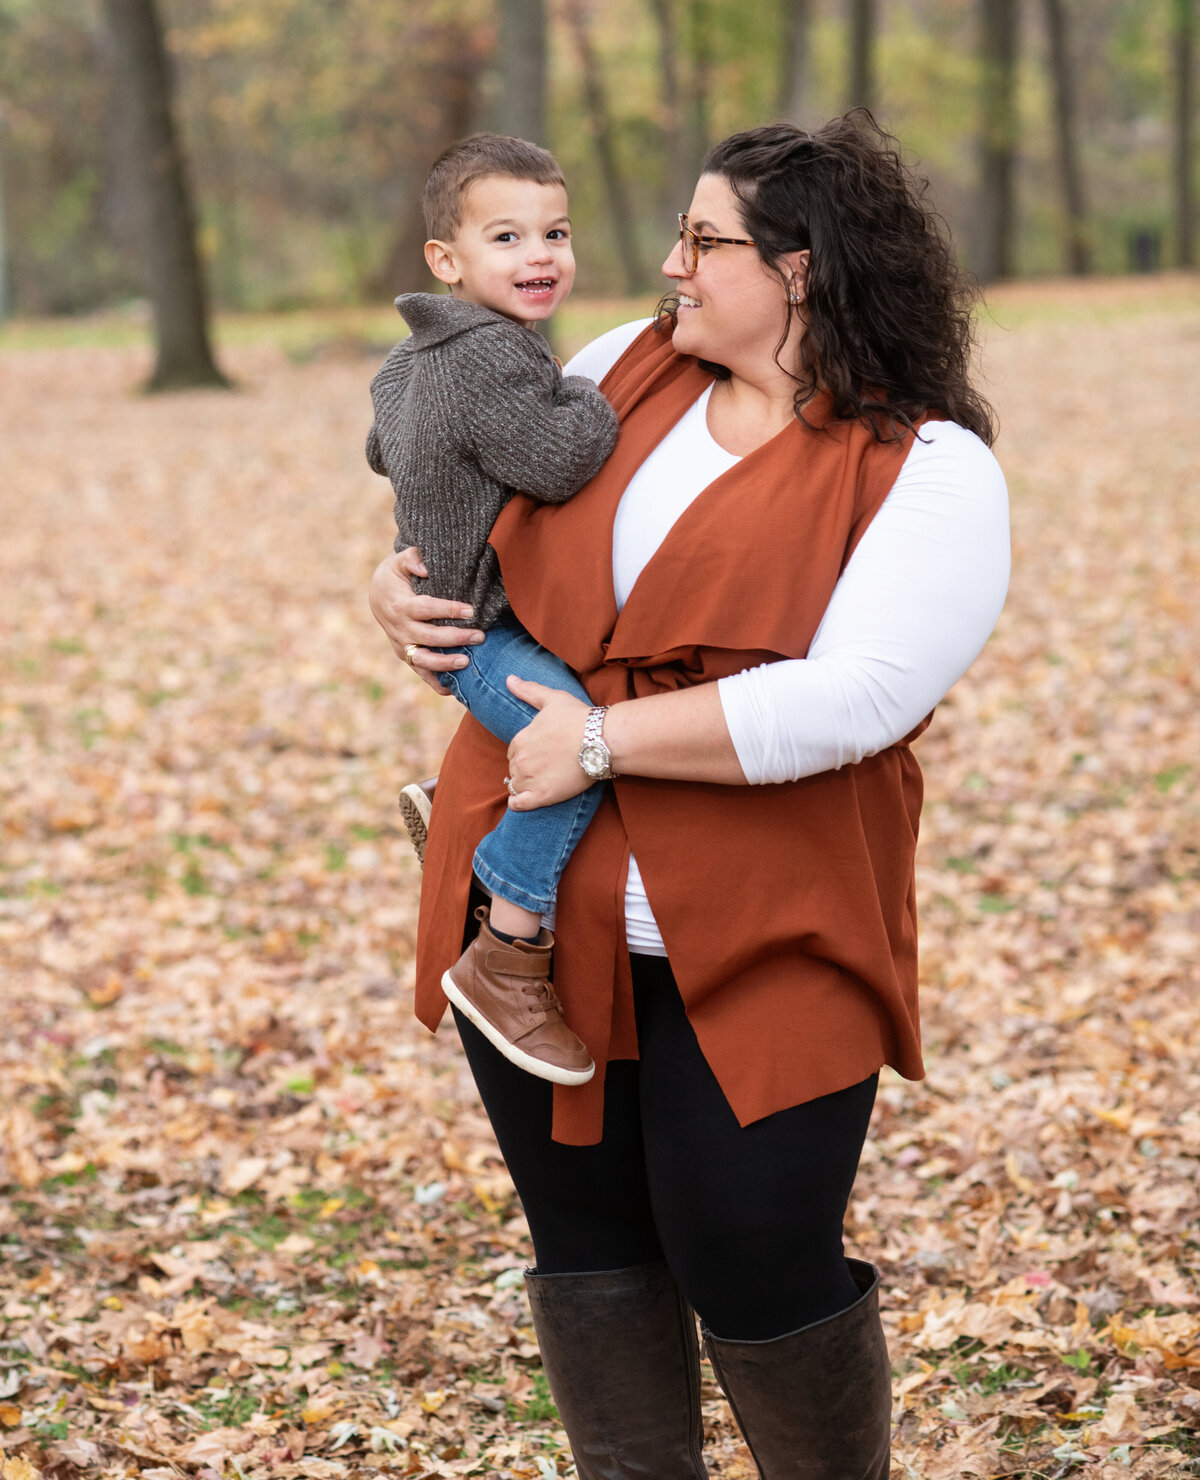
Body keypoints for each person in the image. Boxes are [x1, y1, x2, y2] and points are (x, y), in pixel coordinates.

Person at [369, 114, 1011, 1479]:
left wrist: (602, 742)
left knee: (757, 1258)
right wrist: (398, 586)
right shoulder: (617, 372)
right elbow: (453, 488)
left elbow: (859, 699)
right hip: (532, 932)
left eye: (703, 240)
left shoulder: (929, 471)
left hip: (770, 925)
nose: (666, 263)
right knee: (590, 1250)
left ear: (803, 269)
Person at [366, 133, 619, 1088]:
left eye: (555, 231)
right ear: (448, 259)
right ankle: (507, 955)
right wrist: (591, 396)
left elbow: (380, 448)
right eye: (507, 237)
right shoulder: (495, 361)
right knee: (580, 745)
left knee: (569, 730)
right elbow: (562, 459)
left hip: (454, 616)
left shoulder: (411, 359)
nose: (540, 255)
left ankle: (462, 821)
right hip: (481, 634)